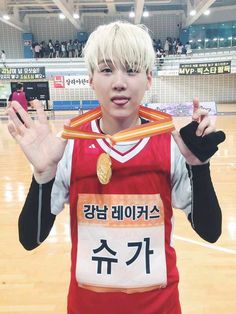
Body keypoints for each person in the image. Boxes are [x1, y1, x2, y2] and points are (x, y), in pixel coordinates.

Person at [7, 21, 224, 314]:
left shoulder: (171, 145)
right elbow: (29, 239)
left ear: (148, 78)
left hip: (160, 308)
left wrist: (199, 168)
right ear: (91, 79)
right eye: (107, 70)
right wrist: (43, 176)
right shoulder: (67, 147)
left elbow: (210, 232)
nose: (119, 82)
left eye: (132, 70)